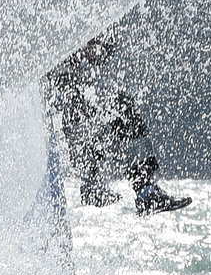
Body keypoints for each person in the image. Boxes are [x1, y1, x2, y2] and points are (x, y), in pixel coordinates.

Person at [47, 38, 190, 216]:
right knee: (101, 109)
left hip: (68, 88)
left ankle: (141, 190)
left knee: (117, 108)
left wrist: (99, 47)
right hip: (57, 90)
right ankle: (96, 186)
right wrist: (88, 48)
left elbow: (96, 54)